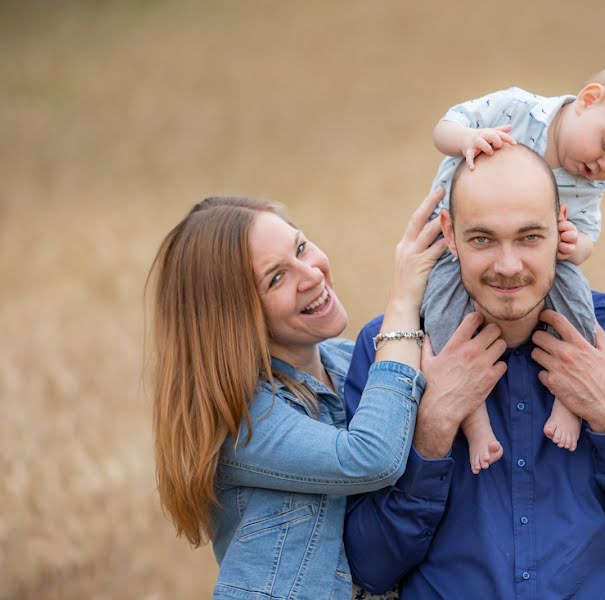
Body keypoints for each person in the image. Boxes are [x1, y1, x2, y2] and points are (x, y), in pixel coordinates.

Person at [345, 146, 605, 599]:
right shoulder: (392, 349)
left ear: (560, 224)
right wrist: (434, 425)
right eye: (482, 239)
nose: (508, 266)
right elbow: (368, 566)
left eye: (530, 237)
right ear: (449, 234)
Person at [147, 191, 504, 599]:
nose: (312, 274)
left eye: (300, 247)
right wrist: (403, 299)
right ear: (234, 319)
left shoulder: (348, 362)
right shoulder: (242, 419)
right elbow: (373, 457)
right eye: (276, 278)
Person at [421, 65, 605, 472]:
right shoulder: (516, 109)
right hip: (454, 249)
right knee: (442, 315)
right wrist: (468, 139)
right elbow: (444, 128)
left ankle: (571, 399)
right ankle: (473, 420)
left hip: (546, 260)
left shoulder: (591, 183)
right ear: (589, 98)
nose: (603, 167)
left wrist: (574, 245)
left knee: (577, 297)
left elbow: (587, 236)